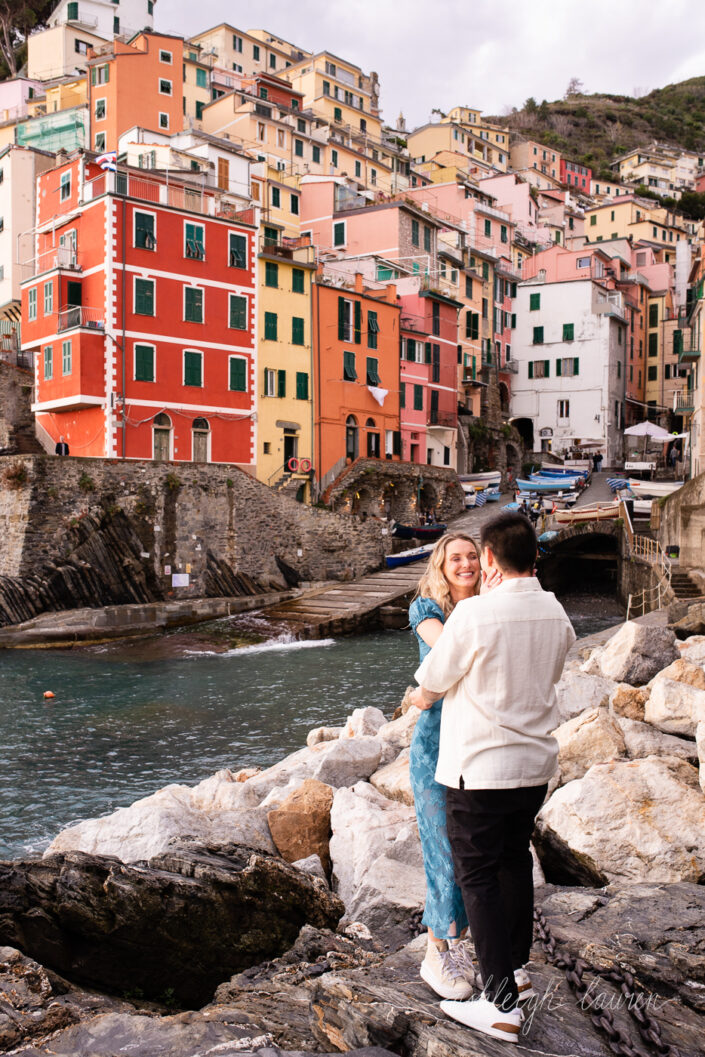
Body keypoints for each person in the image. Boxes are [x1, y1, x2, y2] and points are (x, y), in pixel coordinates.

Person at [409, 512, 575, 1044]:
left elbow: (432, 682)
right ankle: (518, 972)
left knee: (477, 875)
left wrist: (420, 698)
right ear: (535, 556)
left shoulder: (474, 614)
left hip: (477, 766)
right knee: (513, 862)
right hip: (533, 766)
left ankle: (500, 1004)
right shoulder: (556, 612)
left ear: (488, 560)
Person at [408, 533, 482, 1001]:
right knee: (442, 850)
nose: (465, 564)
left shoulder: (486, 608)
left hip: (477, 745)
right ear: (441, 564)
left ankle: (459, 940)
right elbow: (449, 656)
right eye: (455, 557)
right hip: (435, 747)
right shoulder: (426, 610)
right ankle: (439, 949)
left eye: (473, 556)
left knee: (473, 852)